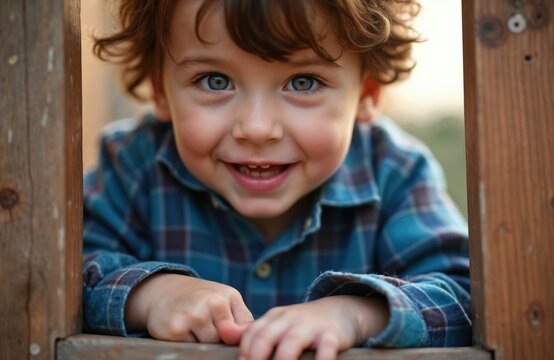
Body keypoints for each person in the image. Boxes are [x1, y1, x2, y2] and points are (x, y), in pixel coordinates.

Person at [82, 0, 472, 359]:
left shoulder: (394, 174)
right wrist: (151, 295)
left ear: (367, 92)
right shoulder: (134, 165)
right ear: (160, 90)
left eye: (302, 82)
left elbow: (464, 295)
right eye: (215, 81)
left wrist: (356, 312)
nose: (256, 128)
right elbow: (66, 272)